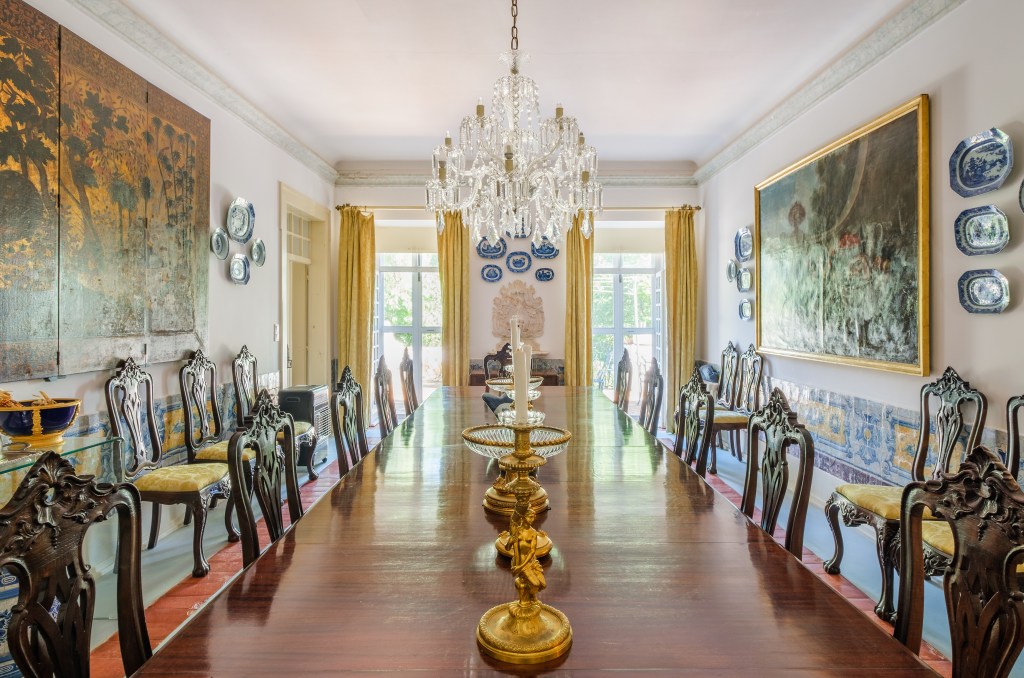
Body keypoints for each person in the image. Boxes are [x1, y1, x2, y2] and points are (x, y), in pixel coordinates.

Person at [510, 507, 546, 606]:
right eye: (530, 517)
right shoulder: (517, 531)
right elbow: (507, 547)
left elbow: (532, 551)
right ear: (523, 517)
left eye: (533, 517)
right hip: (521, 560)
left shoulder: (533, 532)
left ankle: (531, 595)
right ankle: (530, 598)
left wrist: (520, 567)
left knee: (543, 585)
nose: (532, 519)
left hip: (531, 561)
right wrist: (511, 540)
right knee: (536, 584)